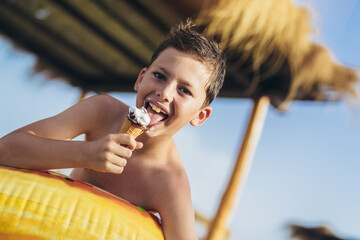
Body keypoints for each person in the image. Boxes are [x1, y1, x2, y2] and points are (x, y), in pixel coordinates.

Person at [0, 20, 226, 240]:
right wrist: (85, 154)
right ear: (140, 79)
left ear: (199, 116)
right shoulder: (101, 112)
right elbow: (6, 149)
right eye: (160, 76)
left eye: (184, 90)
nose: (165, 92)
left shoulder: (170, 184)